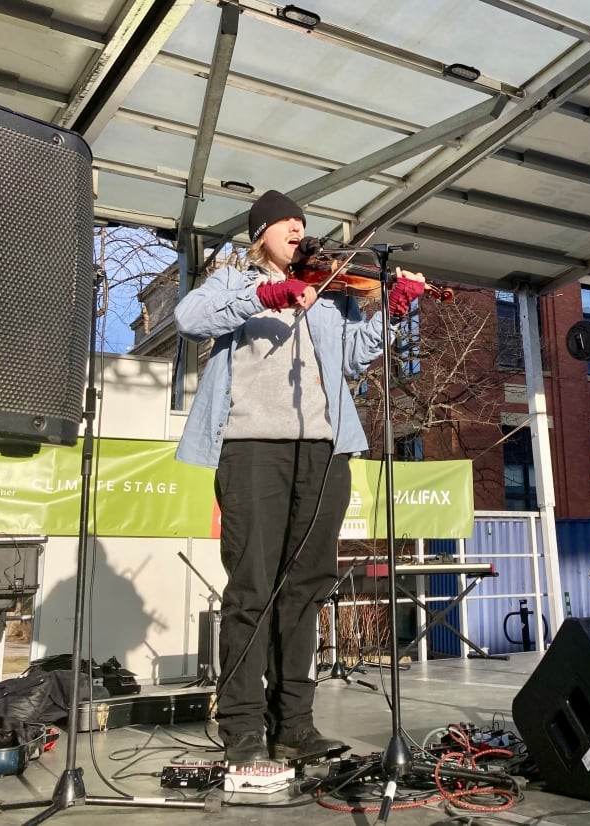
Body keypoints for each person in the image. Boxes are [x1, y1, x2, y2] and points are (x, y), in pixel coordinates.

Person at [174, 189, 425, 764]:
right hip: (251, 448)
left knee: (307, 588)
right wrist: (266, 294)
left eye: (302, 222)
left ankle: (294, 723)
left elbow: (354, 358)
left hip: (324, 449)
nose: (298, 228)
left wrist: (394, 308)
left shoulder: (328, 293)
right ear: (260, 232)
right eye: (286, 221)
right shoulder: (234, 281)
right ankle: (241, 723)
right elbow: (188, 319)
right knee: (251, 587)